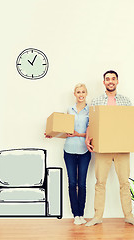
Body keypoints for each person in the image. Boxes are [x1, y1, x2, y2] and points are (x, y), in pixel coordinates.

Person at [85, 70, 134, 227]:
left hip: (122, 147)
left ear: (117, 81)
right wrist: (87, 139)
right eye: (107, 79)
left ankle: (128, 216)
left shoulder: (126, 101)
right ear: (104, 82)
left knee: (124, 182)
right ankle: (97, 216)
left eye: (113, 79)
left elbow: (131, 123)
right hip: (103, 147)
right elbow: (91, 123)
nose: (110, 81)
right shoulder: (96, 101)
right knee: (100, 182)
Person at [45, 83, 91, 225]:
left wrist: (80, 134)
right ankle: (75, 215)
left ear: (86, 93)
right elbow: (66, 131)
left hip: (84, 151)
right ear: (74, 94)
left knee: (82, 184)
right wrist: (53, 134)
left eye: (83, 92)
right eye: (78, 92)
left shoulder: (91, 111)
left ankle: (81, 214)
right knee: (72, 182)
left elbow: (92, 131)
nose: (81, 94)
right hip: (69, 150)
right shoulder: (69, 110)